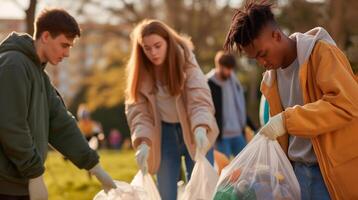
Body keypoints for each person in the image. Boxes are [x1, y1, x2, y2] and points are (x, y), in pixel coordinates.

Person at [223, 1, 358, 199]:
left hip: (331, 175)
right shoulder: (270, 80)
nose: (262, 63)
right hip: (297, 175)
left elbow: (347, 104)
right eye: (255, 60)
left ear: (277, 35)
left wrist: (287, 120)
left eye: (263, 54)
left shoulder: (321, 54)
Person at [0, 8, 116, 200]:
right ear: (45, 36)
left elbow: (60, 123)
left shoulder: (40, 75)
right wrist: (34, 173)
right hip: (5, 184)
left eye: (70, 46)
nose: (68, 53)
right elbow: (11, 125)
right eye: (64, 45)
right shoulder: (13, 65)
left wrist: (95, 167)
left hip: (21, 181)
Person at [125, 19, 218, 200]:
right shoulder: (140, 71)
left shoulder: (186, 60)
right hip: (164, 135)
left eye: (158, 46)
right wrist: (143, 141)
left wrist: (200, 127)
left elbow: (198, 95)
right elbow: (138, 111)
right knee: (166, 193)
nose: (153, 52)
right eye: (147, 48)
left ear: (168, 41)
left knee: (201, 192)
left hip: (194, 130)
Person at [207, 51, 247, 158]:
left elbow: (240, 107)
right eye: (227, 68)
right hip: (221, 137)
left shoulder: (234, 82)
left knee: (246, 166)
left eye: (231, 69)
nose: (230, 72)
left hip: (238, 134)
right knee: (224, 170)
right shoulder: (209, 84)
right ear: (219, 66)